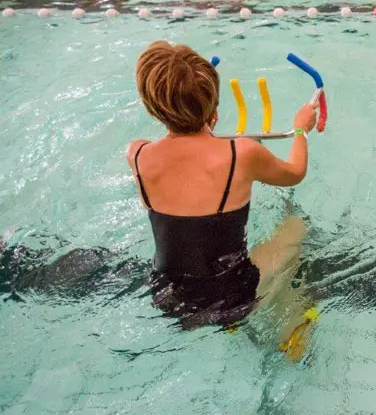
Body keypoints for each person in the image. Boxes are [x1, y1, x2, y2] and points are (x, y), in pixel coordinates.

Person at [126, 41, 318, 331]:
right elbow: (295, 173)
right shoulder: (240, 153)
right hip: (231, 298)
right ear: (213, 108)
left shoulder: (137, 154)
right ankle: (291, 316)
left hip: (168, 297)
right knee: (295, 227)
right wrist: (301, 128)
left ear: (152, 108)